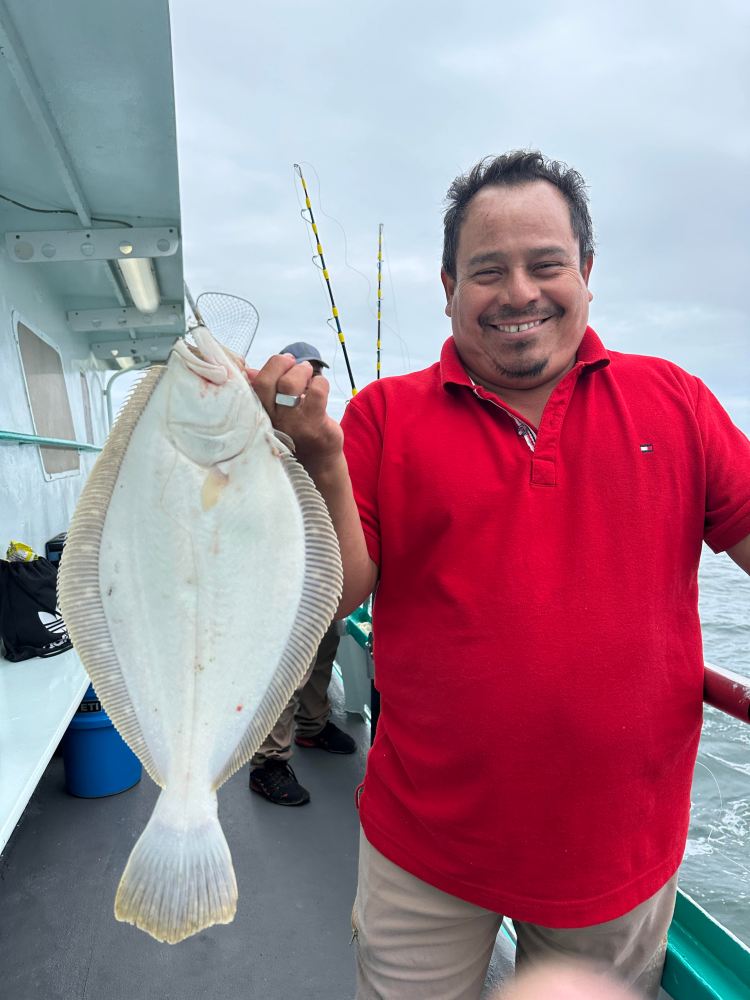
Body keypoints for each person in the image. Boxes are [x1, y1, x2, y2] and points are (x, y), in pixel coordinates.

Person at [246, 152, 750, 998]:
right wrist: (322, 460)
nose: (519, 292)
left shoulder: (677, 400)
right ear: (448, 287)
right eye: (488, 270)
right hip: (424, 848)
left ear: (586, 273)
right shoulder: (381, 417)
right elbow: (341, 595)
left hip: (617, 855)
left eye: (546, 264)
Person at [249, 341, 355, 807]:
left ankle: (312, 727)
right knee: (283, 666)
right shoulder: (256, 430)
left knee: (323, 652)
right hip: (274, 571)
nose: (310, 381)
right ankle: (268, 761)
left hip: (320, 569)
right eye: (302, 373)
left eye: (315, 373)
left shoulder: (326, 434)